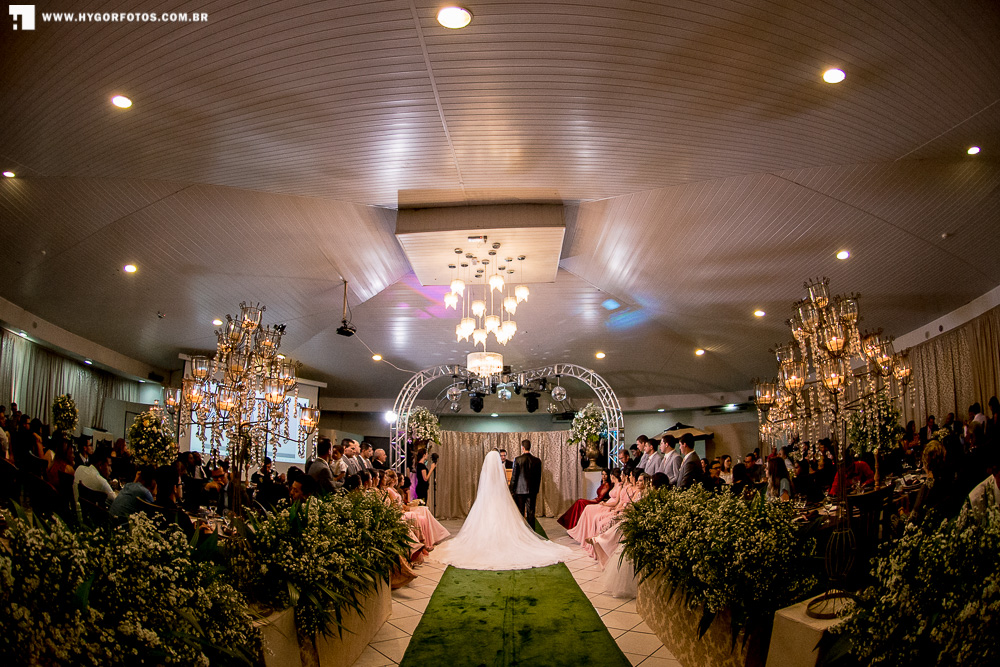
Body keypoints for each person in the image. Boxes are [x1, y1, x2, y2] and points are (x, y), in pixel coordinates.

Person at [433, 450, 574, 570]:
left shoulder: (486, 474)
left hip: (486, 500)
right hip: (499, 499)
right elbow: (503, 486)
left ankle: (487, 541)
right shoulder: (500, 472)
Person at [567, 469, 623, 556]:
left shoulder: (619, 486)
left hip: (609, 505)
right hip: (607, 503)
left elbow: (616, 502)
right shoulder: (614, 485)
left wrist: (605, 504)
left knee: (590, 510)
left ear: (612, 476)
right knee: (587, 508)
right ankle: (581, 532)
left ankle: (585, 535)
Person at [509, 440, 542, 527]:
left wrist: (511, 490)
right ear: (530, 447)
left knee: (520, 512)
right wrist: (536, 489)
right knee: (531, 512)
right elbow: (538, 477)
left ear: (522, 448)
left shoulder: (517, 459)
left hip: (519, 490)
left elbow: (514, 477)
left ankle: (521, 530)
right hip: (532, 490)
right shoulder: (537, 460)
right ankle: (531, 531)